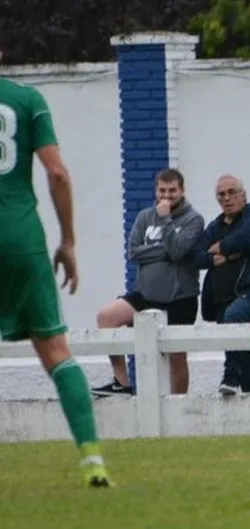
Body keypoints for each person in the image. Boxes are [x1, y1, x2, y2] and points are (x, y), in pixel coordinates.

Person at [0, 76, 112, 486]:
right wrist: (68, 241)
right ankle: (92, 459)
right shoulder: (27, 100)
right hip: (22, 239)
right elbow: (58, 174)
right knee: (55, 350)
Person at [92, 168, 204, 396]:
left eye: (172, 190)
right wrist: (163, 250)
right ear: (156, 190)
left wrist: (166, 219)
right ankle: (122, 383)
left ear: (182, 191)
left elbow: (177, 252)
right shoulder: (145, 217)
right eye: (162, 190)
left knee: (177, 356)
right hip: (145, 294)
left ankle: (178, 406)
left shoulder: (194, 219)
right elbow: (134, 252)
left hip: (180, 297)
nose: (167, 195)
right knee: (106, 318)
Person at [194, 175, 250, 395]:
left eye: (232, 192)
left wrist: (220, 247)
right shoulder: (215, 225)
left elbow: (249, 237)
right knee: (245, 354)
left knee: (233, 318)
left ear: (243, 195)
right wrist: (217, 257)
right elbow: (197, 255)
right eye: (222, 194)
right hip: (219, 299)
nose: (227, 198)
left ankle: (230, 377)